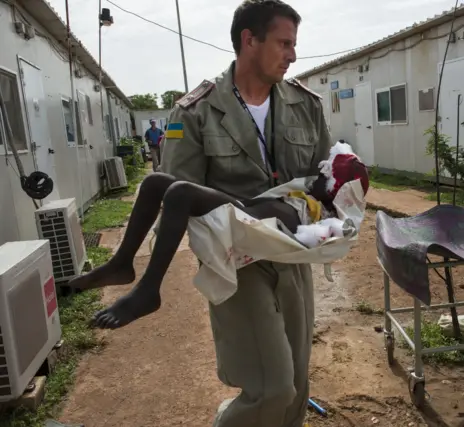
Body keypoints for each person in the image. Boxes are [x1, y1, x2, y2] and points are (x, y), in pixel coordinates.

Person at [159, 1, 334, 426]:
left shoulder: (304, 105)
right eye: (284, 43)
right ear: (249, 40)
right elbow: (176, 196)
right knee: (271, 387)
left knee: (296, 386)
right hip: (237, 263)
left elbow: (322, 180)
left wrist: (338, 197)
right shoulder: (194, 112)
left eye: (295, 44)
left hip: (294, 256)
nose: (293, 54)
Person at [68, 143, 369, 331]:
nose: (316, 175)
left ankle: (149, 290)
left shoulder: (317, 216)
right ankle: (122, 263)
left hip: (247, 224)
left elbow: (325, 241)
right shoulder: (302, 194)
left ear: (334, 189)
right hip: (243, 208)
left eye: (323, 176)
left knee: (180, 193)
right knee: (154, 182)